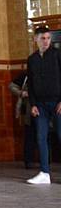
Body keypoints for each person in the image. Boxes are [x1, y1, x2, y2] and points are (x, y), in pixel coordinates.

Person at [26, 27, 61, 185]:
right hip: (40, 104)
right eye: (42, 38)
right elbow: (31, 84)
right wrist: (32, 104)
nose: (46, 41)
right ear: (35, 39)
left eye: (48, 38)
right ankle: (45, 173)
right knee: (41, 137)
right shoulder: (32, 59)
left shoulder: (57, 54)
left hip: (58, 103)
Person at [8, 71, 36, 170]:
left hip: (43, 108)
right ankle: (28, 160)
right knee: (29, 135)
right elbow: (11, 86)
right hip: (28, 109)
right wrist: (21, 93)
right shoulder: (26, 75)